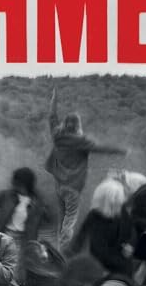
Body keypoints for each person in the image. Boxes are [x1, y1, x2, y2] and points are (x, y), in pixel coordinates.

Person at [45, 88, 128, 250]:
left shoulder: (58, 136)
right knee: (69, 221)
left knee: (62, 219)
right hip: (73, 188)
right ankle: (63, 252)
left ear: (65, 124)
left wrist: (54, 99)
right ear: (78, 126)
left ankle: (58, 249)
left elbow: (52, 118)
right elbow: (101, 148)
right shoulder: (80, 141)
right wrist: (121, 150)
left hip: (59, 186)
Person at [67, 178, 135, 276]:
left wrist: (130, 244)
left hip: (119, 264)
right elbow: (99, 250)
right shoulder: (96, 218)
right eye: (119, 201)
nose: (122, 202)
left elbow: (131, 230)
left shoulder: (121, 211)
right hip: (111, 267)